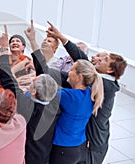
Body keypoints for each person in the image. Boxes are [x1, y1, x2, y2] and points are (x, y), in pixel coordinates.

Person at [27, 20, 127, 164]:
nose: (97, 58)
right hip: (78, 145)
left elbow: (81, 63)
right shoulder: (89, 88)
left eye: (104, 59)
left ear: (110, 70)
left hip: (92, 146)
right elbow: (75, 66)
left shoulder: (106, 86)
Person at [0, 26, 61, 163]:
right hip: (43, 157)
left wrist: (2, 49)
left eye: (33, 82)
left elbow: (9, 82)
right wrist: (32, 40)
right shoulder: (55, 104)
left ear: (34, 91)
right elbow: (44, 70)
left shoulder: (28, 107)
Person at [49, 59, 104, 164]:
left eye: (72, 69)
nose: (68, 72)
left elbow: (44, 93)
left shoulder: (69, 96)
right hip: (80, 147)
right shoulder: (91, 93)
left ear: (80, 77)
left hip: (63, 149)